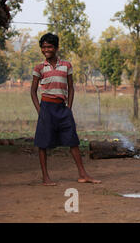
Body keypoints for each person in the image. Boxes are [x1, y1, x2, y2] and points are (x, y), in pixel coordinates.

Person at [31, 33, 101, 186]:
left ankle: (83, 174)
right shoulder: (39, 68)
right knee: (43, 143)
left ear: (56, 48)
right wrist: (39, 110)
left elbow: (71, 88)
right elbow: (33, 91)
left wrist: (68, 107)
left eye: (49, 47)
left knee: (73, 140)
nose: (46, 50)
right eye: (43, 47)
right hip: (46, 108)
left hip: (62, 109)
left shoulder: (66, 66)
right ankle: (45, 178)